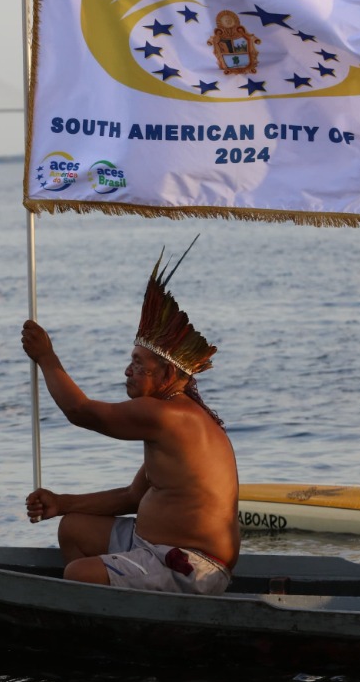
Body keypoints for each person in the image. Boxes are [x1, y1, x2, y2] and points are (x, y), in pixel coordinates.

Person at [20, 250, 240, 594]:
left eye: (138, 364)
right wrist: (62, 503)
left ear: (167, 372)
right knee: (72, 528)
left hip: (189, 564)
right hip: (154, 545)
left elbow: (81, 412)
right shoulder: (172, 414)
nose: (128, 371)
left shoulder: (166, 414)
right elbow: (134, 495)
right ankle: (112, 607)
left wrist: (46, 357)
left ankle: (112, 622)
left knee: (78, 574)